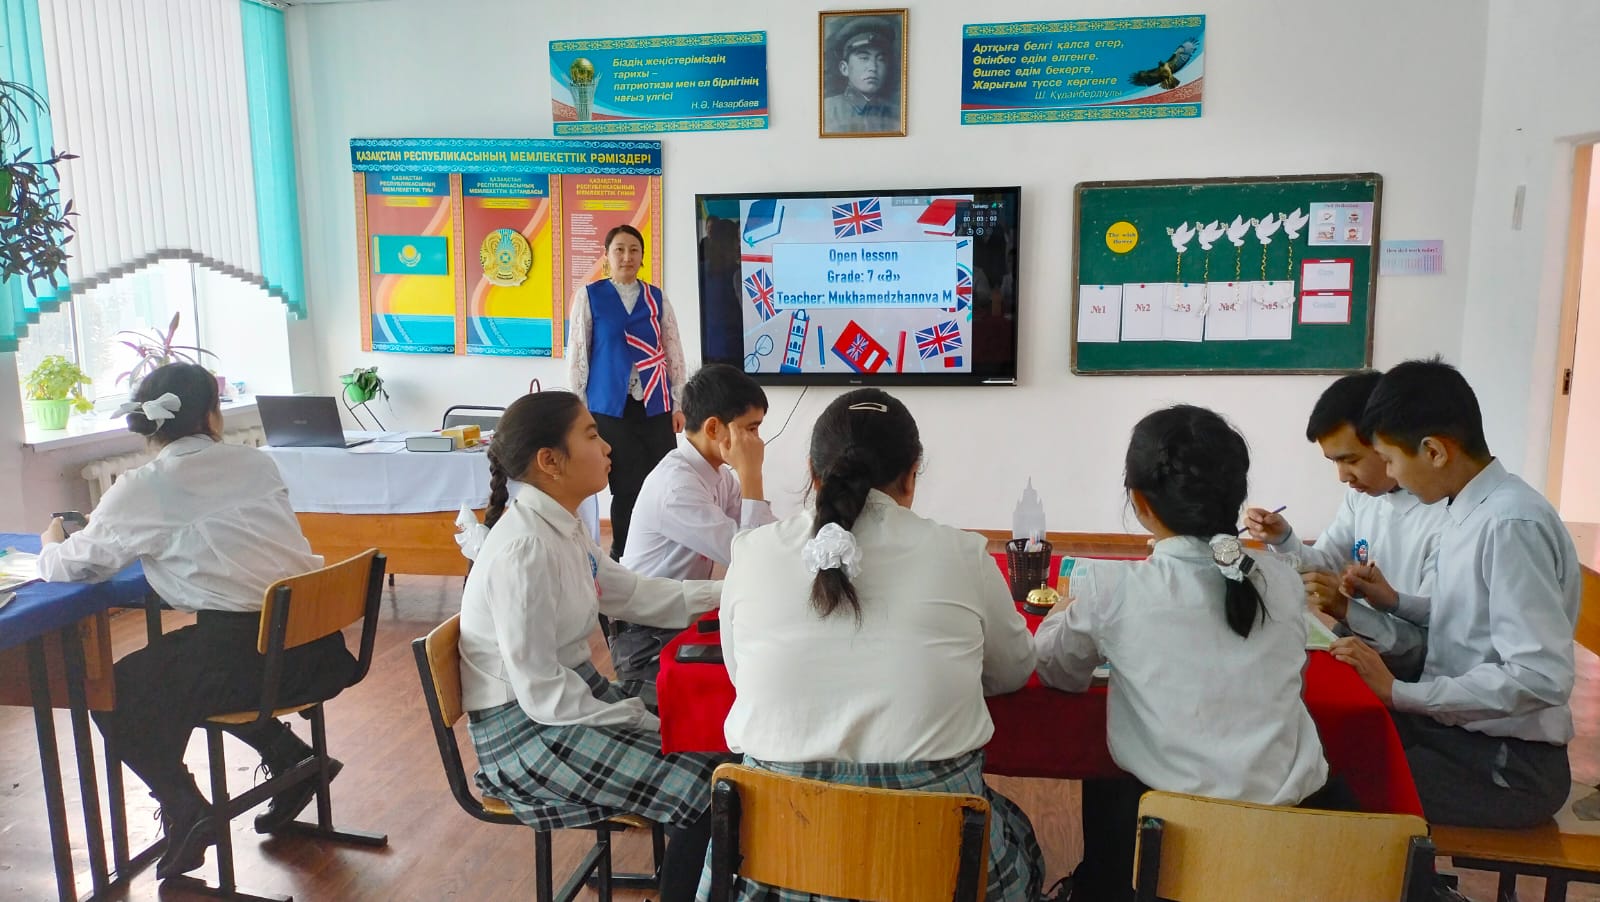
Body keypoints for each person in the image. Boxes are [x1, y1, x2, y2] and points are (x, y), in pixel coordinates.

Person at [699, 388, 1044, 902]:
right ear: (912, 475)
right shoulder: (964, 554)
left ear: (813, 474)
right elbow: (1012, 670)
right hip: (934, 864)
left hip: (774, 871)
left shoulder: (751, 554)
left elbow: (739, 675)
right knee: (1023, 841)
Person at [36, 363, 357, 880]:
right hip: (316, 648)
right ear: (212, 415)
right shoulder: (254, 463)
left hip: (253, 664)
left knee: (115, 691)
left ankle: (185, 807)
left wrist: (52, 539)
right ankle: (292, 760)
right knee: (188, 666)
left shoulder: (146, 486)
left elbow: (72, 566)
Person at [1035, 405, 1338, 902]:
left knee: (1107, 776)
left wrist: (1064, 611)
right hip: (1291, 841)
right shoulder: (1282, 580)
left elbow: (1057, 671)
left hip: (1167, 851)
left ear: (1139, 501)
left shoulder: (1113, 588)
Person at [458, 390, 723, 901]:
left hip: (570, 701)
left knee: (718, 742)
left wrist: (733, 591)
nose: (607, 447)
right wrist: (635, 716)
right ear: (550, 461)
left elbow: (634, 595)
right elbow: (541, 693)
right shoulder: (525, 548)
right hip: (527, 734)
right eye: (592, 435)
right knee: (712, 789)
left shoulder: (561, 526)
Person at [1332, 358, 1581, 828]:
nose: (1391, 475)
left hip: (1511, 764)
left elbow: (1540, 676)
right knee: (1338, 740)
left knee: (1340, 790)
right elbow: (1471, 618)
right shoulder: (1470, 508)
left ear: (1434, 451)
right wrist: (1395, 602)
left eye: (1390, 460)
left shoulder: (1510, 524)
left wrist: (1400, 692)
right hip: (1461, 732)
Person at [1245, 371, 1449, 679]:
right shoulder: (1364, 497)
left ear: (1386, 442)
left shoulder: (1444, 517)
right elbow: (1327, 563)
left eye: (1351, 460)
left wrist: (1345, 608)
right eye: (1334, 462)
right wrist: (1284, 538)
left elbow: (1422, 647)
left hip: (1411, 677)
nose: (1342, 476)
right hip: (1366, 648)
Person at [613, 364, 775, 689]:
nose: (758, 441)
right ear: (714, 427)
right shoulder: (676, 487)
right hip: (646, 639)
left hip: (682, 615)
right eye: (751, 429)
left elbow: (769, 543)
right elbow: (752, 558)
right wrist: (752, 475)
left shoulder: (717, 476)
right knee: (761, 671)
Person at [567, 223, 687, 560]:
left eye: (634, 250)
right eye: (619, 249)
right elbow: (579, 353)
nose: (627, 256)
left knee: (663, 482)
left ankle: (663, 555)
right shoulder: (590, 296)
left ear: (642, 256)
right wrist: (579, 408)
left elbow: (673, 350)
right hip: (609, 407)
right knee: (625, 487)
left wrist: (678, 402)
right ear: (606, 255)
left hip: (655, 406)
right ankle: (623, 555)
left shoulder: (656, 298)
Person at [822, 17, 901, 134]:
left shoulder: (897, 113)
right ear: (844, 68)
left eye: (881, 59)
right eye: (864, 58)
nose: (873, 67)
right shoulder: (826, 110)